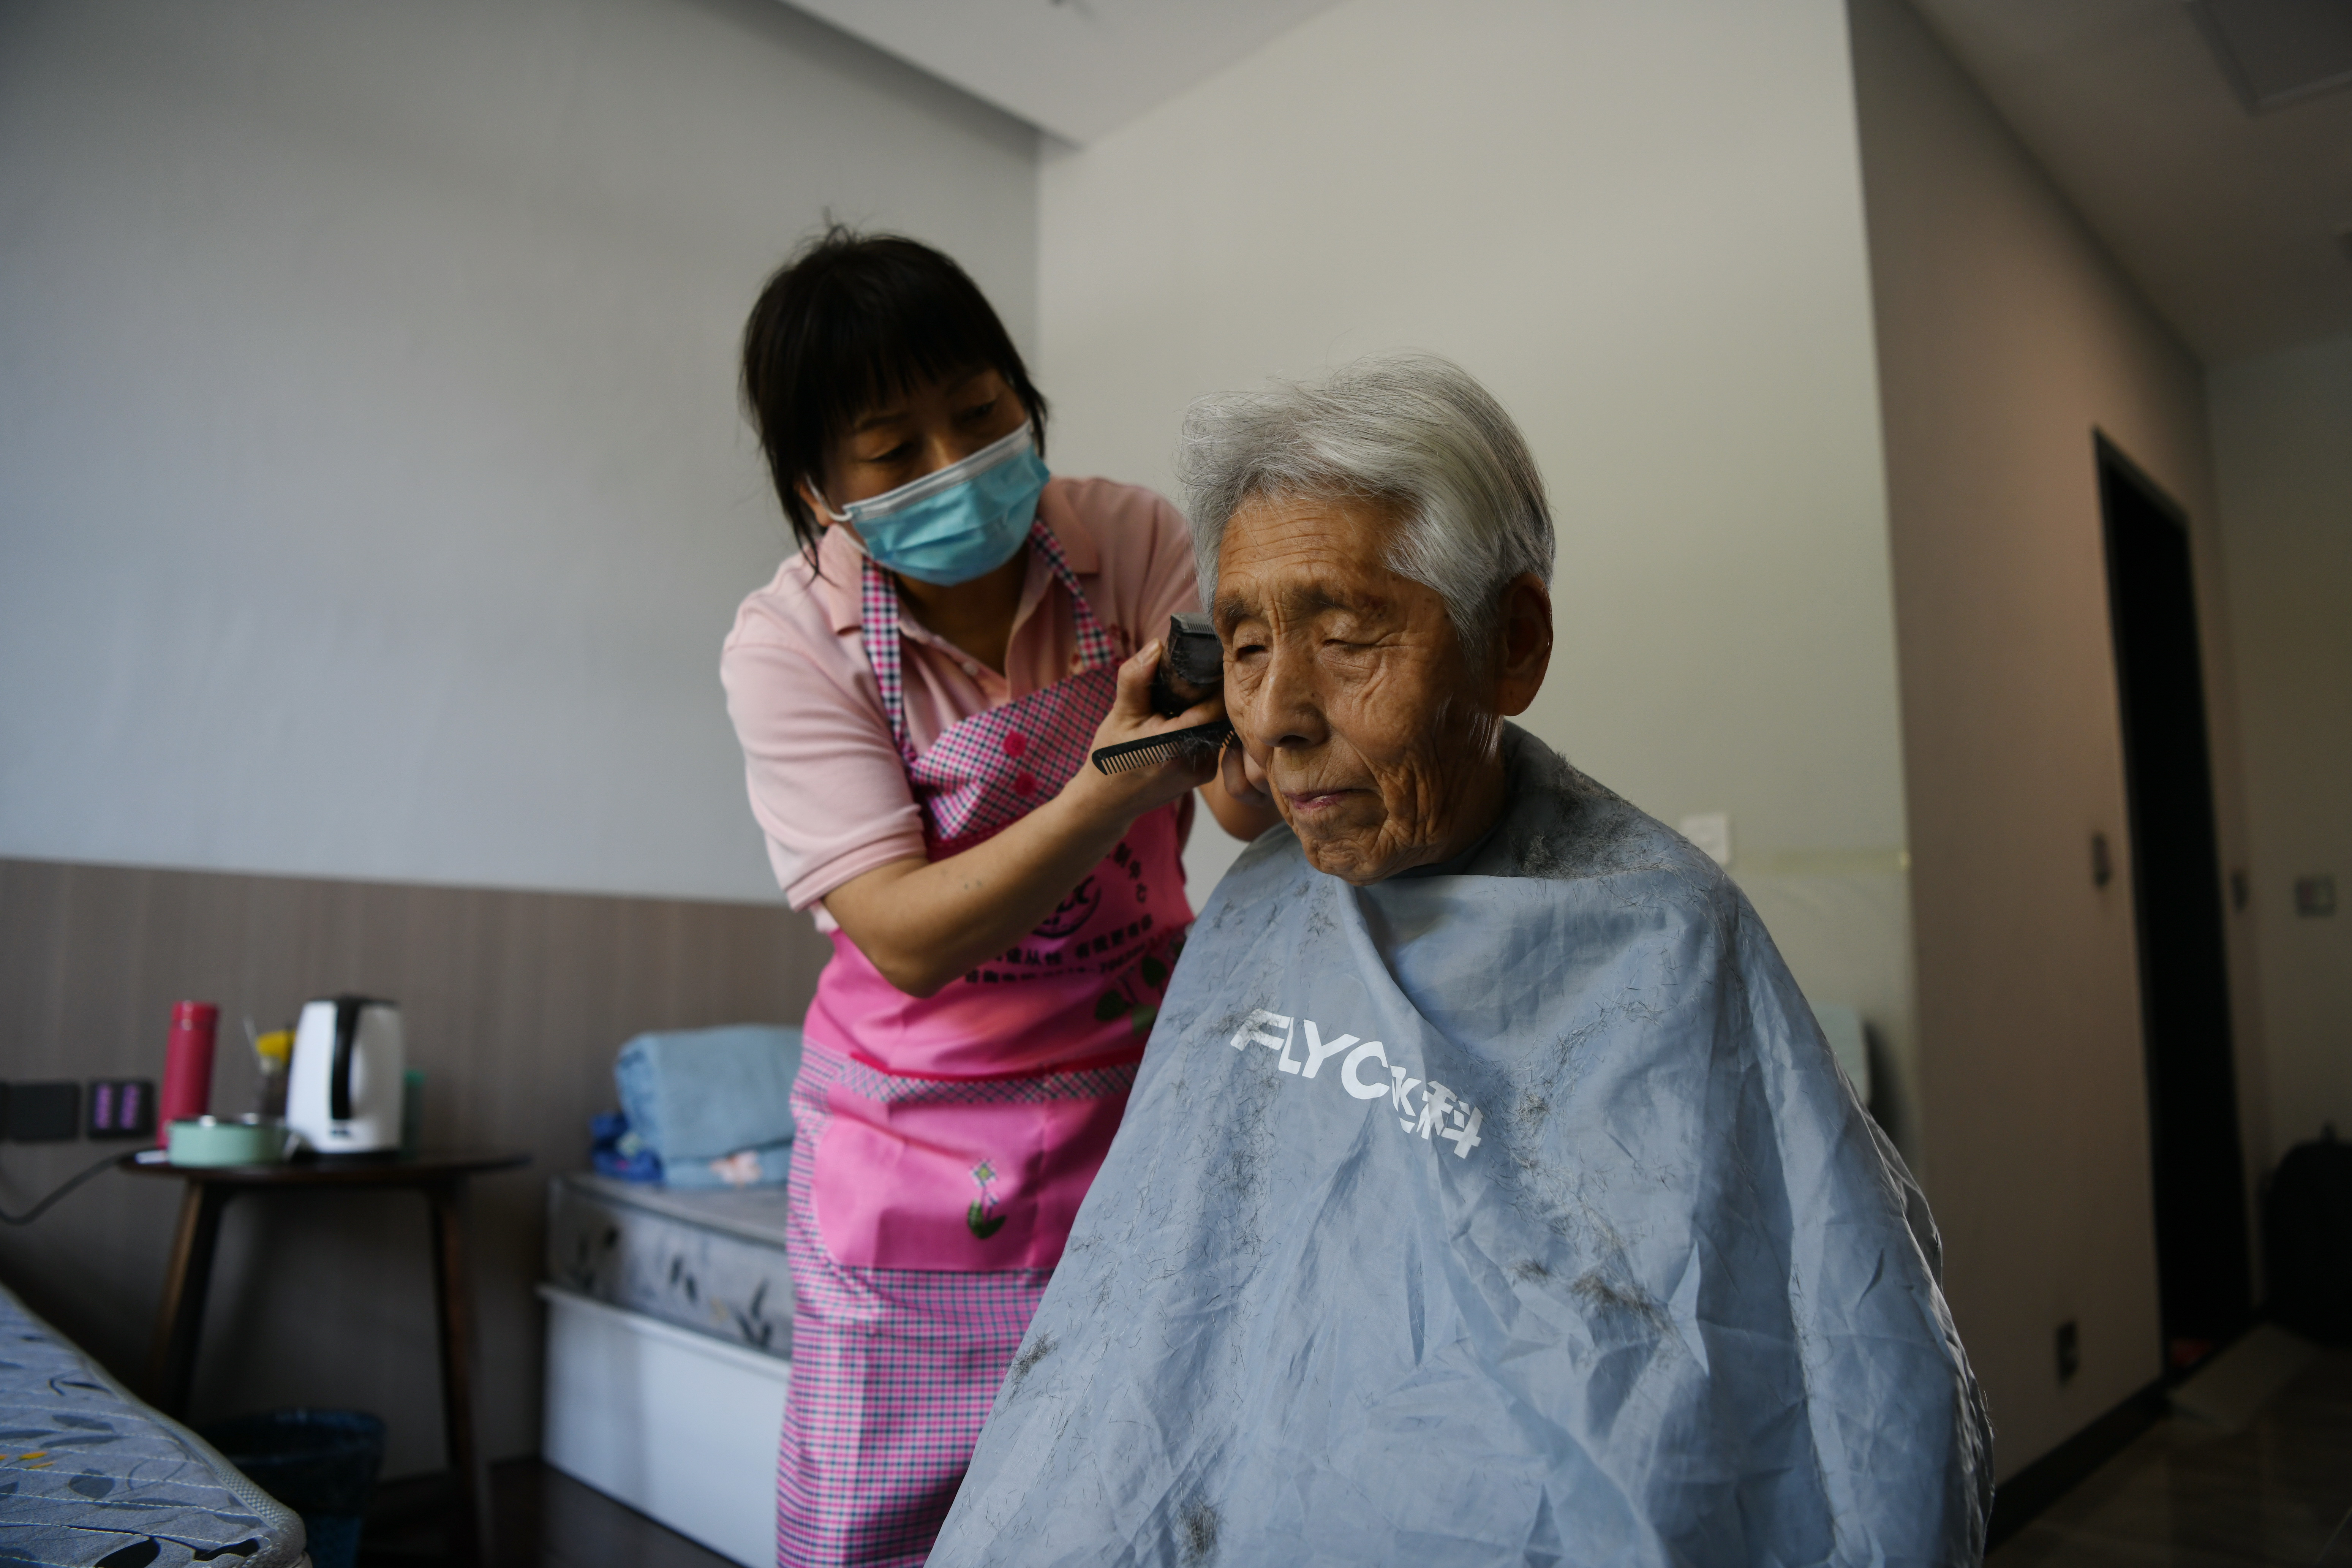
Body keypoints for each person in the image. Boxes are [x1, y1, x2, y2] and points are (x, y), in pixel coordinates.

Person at [929, 355, 1993, 1566]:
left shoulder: (1667, 936)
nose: (1276, 715)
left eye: (1346, 636)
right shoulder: (1259, 902)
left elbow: (1841, 1389)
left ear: (1514, 644)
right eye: (1246, 645)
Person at [719, 227, 1278, 1567]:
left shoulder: (1127, 537)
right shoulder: (791, 643)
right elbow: (906, 936)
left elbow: (1234, 805)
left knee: (1124, 1502)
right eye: (894, 449)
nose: (956, 463)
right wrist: (1108, 782)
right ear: (818, 490)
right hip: (911, 1153)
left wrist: (1278, 716)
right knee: (885, 1527)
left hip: (1133, 1111)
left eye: (980, 415)